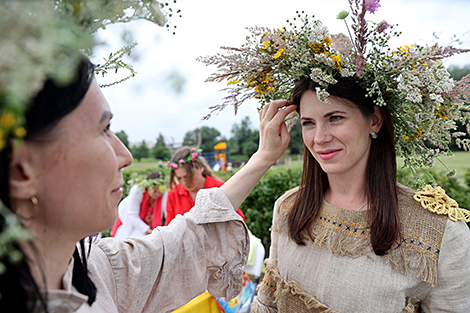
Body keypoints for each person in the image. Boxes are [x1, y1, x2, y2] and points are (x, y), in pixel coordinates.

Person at [199, 1, 470, 312]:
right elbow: (267, 305)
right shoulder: (288, 209)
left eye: (336, 118)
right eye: (308, 123)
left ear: (375, 120)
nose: (320, 137)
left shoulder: (440, 232)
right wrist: (263, 156)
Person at [0, 58, 297, 312]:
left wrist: (263, 158)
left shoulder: (97, 271)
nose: (125, 156)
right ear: (21, 171)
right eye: (104, 130)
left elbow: (185, 239)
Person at [165, 147, 246, 225]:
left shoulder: (220, 188)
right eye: (179, 178)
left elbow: (238, 220)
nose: (184, 182)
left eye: (188, 176)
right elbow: (170, 226)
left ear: (200, 168)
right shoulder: (173, 193)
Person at [111, 171, 167, 239]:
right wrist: (148, 230)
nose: (157, 194)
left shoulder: (164, 193)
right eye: (154, 191)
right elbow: (132, 215)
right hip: (128, 217)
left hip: (146, 220)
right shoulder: (137, 190)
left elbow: (166, 211)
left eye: (159, 192)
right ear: (148, 187)